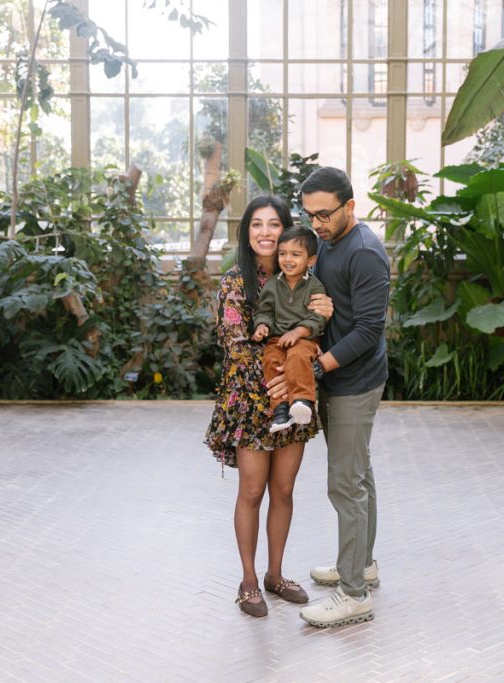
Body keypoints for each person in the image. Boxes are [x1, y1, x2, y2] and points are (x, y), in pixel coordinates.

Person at [204, 195, 333, 618]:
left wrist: (323, 317)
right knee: (252, 490)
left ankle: (275, 574)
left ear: (286, 230)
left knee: (283, 490)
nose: (265, 232)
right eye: (256, 224)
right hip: (250, 399)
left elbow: (318, 333)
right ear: (247, 232)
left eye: (273, 224)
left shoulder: (304, 279)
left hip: (291, 400)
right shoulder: (234, 283)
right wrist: (278, 378)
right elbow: (237, 346)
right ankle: (248, 580)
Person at [273, 167, 391, 628]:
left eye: (324, 214)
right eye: (310, 214)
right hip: (337, 379)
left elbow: (369, 330)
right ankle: (362, 565)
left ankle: (354, 594)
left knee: (345, 484)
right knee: (359, 473)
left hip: (355, 383)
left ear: (350, 206)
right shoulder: (327, 243)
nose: (316, 224)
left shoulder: (365, 253)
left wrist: (316, 367)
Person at [251, 226, 326, 434]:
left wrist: (299, 332)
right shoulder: (272, 285)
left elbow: (318, 317)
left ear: (311, 260)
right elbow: (264, 311)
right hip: (277, 339)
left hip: (304, 338)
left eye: (295, 254)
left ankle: (303, 401)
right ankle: (281, 411)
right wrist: (262, 325)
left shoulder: (315, 287)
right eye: (283, 254)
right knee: (271, 361)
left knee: (297, 357)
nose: (287, 259)